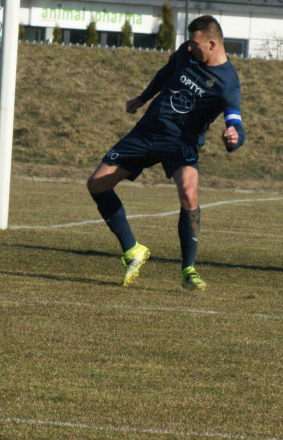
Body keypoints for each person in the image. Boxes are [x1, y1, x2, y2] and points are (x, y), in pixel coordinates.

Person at [86, 15, 245, 291]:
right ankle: (132, 250)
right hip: (148, 131)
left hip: (181, 143)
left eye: (195, 43)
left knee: (188, 192)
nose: (188, 47)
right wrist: (142, 98)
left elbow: (235, 123)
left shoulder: (228, 83)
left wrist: (233, 138)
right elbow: (166, 72)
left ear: (211, 44)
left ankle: (188, 270)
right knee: (97, 183)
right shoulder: (185, 52)